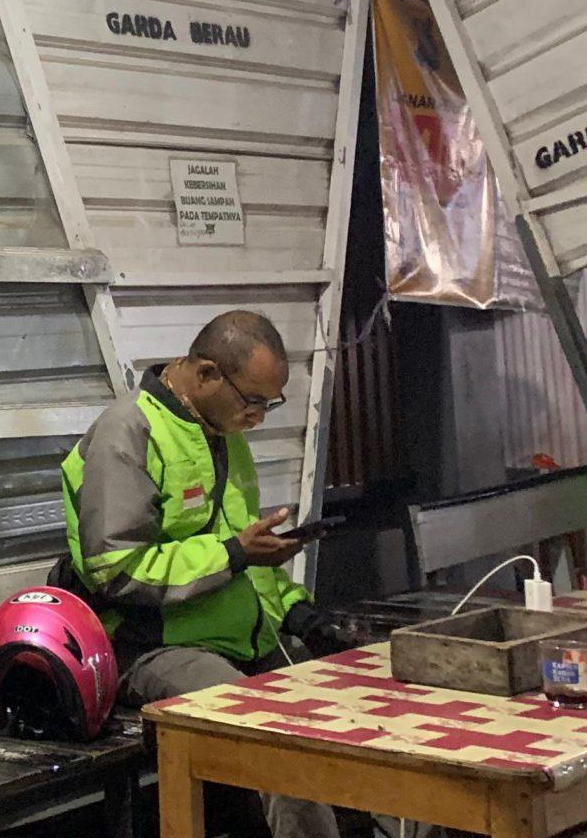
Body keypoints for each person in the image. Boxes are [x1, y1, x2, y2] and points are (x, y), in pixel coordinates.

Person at [61, 311, 356, 838]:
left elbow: (244, 551)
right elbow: (116, 569)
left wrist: (298, 613)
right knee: (273, 731)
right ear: (206, 374)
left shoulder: (220, 431)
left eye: (270, 404)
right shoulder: (127, 434)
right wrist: (233, 554)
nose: (259, 418)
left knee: (350, 704)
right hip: (152, 646)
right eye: (253, 401)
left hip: (234, 639)